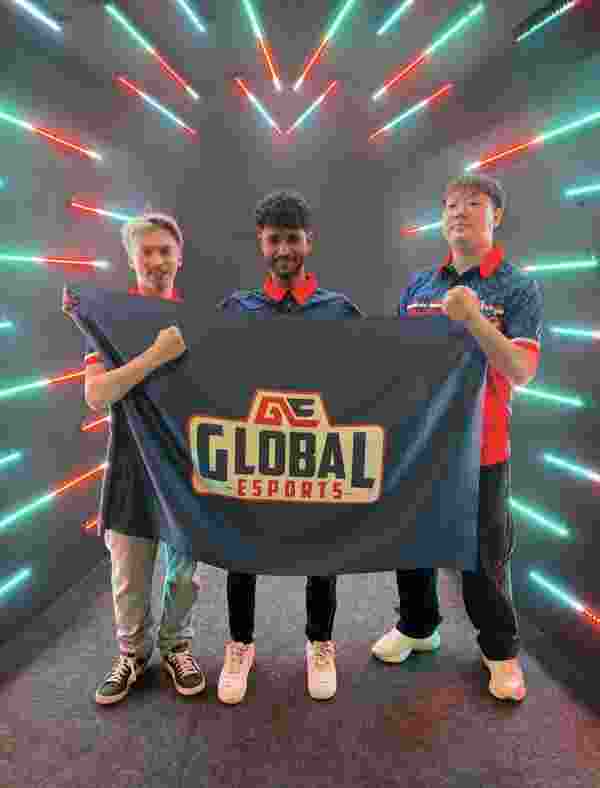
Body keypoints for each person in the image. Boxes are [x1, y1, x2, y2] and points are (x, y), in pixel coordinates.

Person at [372, 174, 543, 702]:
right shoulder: (420, 287)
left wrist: (473, 318)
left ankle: (500, 651)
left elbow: (521, 369)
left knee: (484, 557)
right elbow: (395, 361)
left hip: (481, 448)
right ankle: (417, 626)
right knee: (411, 543)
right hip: (420, 443)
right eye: (449, 205)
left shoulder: (516, 287)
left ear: (496, 216)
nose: (458, 212)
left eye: (472, 203)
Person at [216, 190, 363, 704]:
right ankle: (240, 643)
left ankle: (320, 642)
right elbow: (202, 371)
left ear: (309, 242)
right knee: (241, 549)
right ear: (261, 242)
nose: (284, 249)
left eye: (293, 239)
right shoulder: (236, 309)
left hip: (315, 453)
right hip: (255, 451)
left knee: (322, 549)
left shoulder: (339, 310)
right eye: (274, 239)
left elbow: (374, 375)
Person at [63, 212, 206, 705]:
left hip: (184, 465)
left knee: (184, 574)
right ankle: (132, 654)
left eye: (166, 250)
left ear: (179, 258)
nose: (157, 260)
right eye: (147, 251)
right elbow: (96, 395)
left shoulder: (197, 319)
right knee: (128, 576)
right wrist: (155, 356)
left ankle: (177, 646)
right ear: (131, 259)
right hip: (130, 463)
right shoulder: (110, 320)